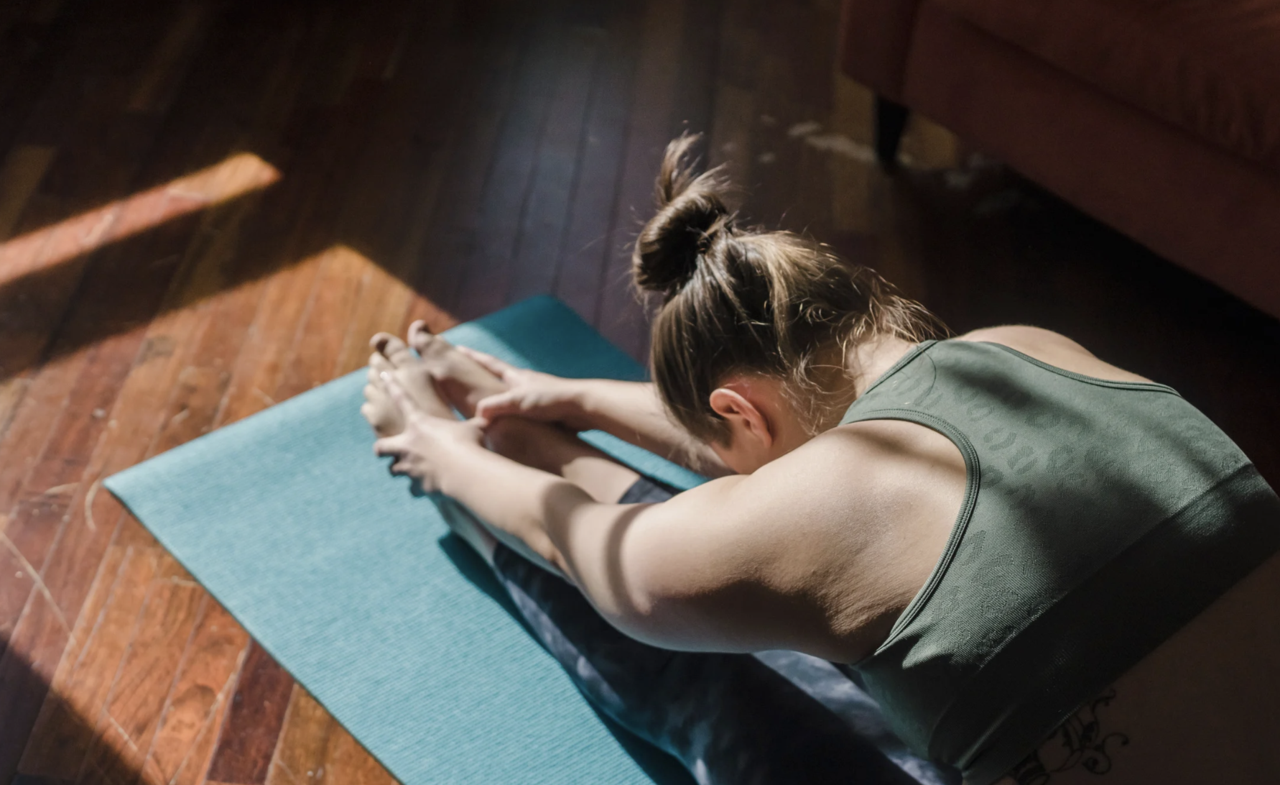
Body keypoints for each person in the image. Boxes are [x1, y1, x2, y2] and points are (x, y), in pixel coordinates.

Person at [361, 135, 1280, 785]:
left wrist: (436, 450)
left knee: (730, 683)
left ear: (736, 410)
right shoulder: (1026, 350)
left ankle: (503, 454)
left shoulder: (835, 503)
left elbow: (602, 555)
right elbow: (816, 449)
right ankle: (526, 429)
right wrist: (577, 395)